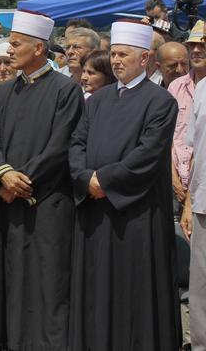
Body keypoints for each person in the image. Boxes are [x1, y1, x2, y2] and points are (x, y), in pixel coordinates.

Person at [68, 20, 181, 351]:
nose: (115, 61)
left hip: (135, 212)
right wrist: (84, 177)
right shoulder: (98, 99)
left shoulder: (160, 101)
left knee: (134, 291)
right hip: (95, 208)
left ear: (144, 58)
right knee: (96, 289)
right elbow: (76, 142)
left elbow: (147, 155)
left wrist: (104, 180)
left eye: (123, 55)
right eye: (113, 54)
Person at [0, 10, 85, 351]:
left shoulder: (66, 90)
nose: (9, 50)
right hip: (7, 202)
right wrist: (4, 176)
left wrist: (23, 182)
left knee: (47, 283)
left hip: (46, 204)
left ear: (38, 48)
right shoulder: (7, 92)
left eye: (16, 43)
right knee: (7, 279)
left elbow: (61, 145)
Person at [181, 29, 206, 350]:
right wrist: (188, 203)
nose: (197, 49)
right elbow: (195, 154)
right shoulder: (201, 90)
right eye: (194, 45)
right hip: (202, 204)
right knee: (200, 289)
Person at [170, 21, 206, 214]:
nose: (196, 50)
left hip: (202, 186)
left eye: (203, 44)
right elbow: (165, 136)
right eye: (192, 45)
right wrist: (172, 178)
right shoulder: (176, 87)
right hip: (174, 183)